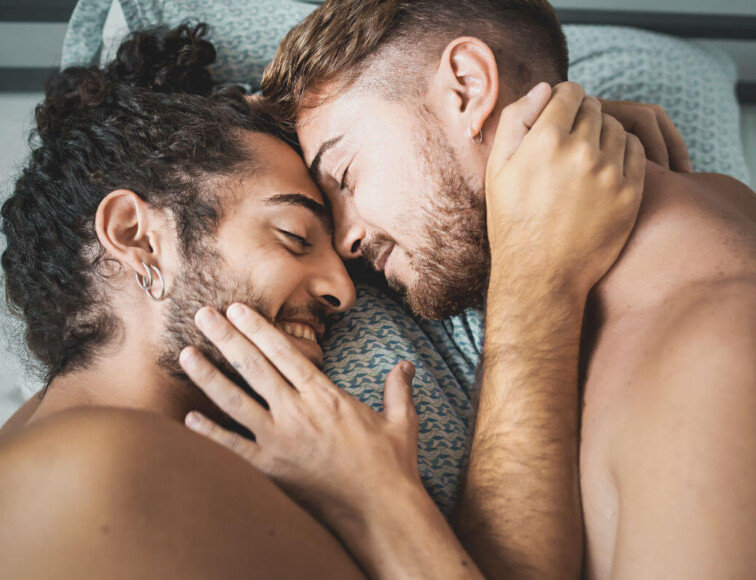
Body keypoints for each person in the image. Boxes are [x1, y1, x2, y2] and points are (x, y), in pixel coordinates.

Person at [0, 24, 667, 579]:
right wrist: (378, 505)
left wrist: (535, 131)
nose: (345, 289)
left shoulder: (67, 436)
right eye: (294, 237)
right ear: (135, 237)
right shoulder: (97, 473)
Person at [186, 1, 756, 579]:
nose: (345, 246)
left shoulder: (722, 360)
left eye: (343, 176)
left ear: (468, 86)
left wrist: (377, 510)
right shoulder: (704, 222)